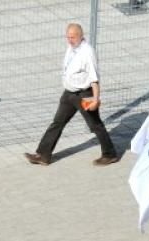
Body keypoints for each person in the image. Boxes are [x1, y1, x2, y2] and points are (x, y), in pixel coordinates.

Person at [25, 23, 118, 166]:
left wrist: (96, 99)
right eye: (68, 37)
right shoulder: (71, 48)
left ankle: (110, 154)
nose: (69, 40)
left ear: (81, 36)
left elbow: (94, 78)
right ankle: (43, 155)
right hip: (69, 94)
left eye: (73, 37)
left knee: (95, 125)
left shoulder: (87, 52)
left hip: (84, 94)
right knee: (57, 122)